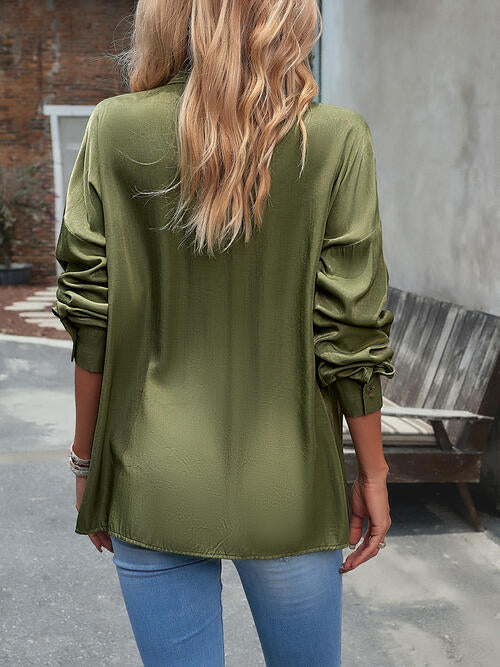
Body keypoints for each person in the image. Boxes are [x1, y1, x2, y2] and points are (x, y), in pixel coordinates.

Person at [52, 1, 396, 664]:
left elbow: (90, 316)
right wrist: (373, 473)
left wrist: (86, 464)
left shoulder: (113, 127)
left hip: (149, 474)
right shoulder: (336, 138)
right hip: (291, 481)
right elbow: (352, 328)